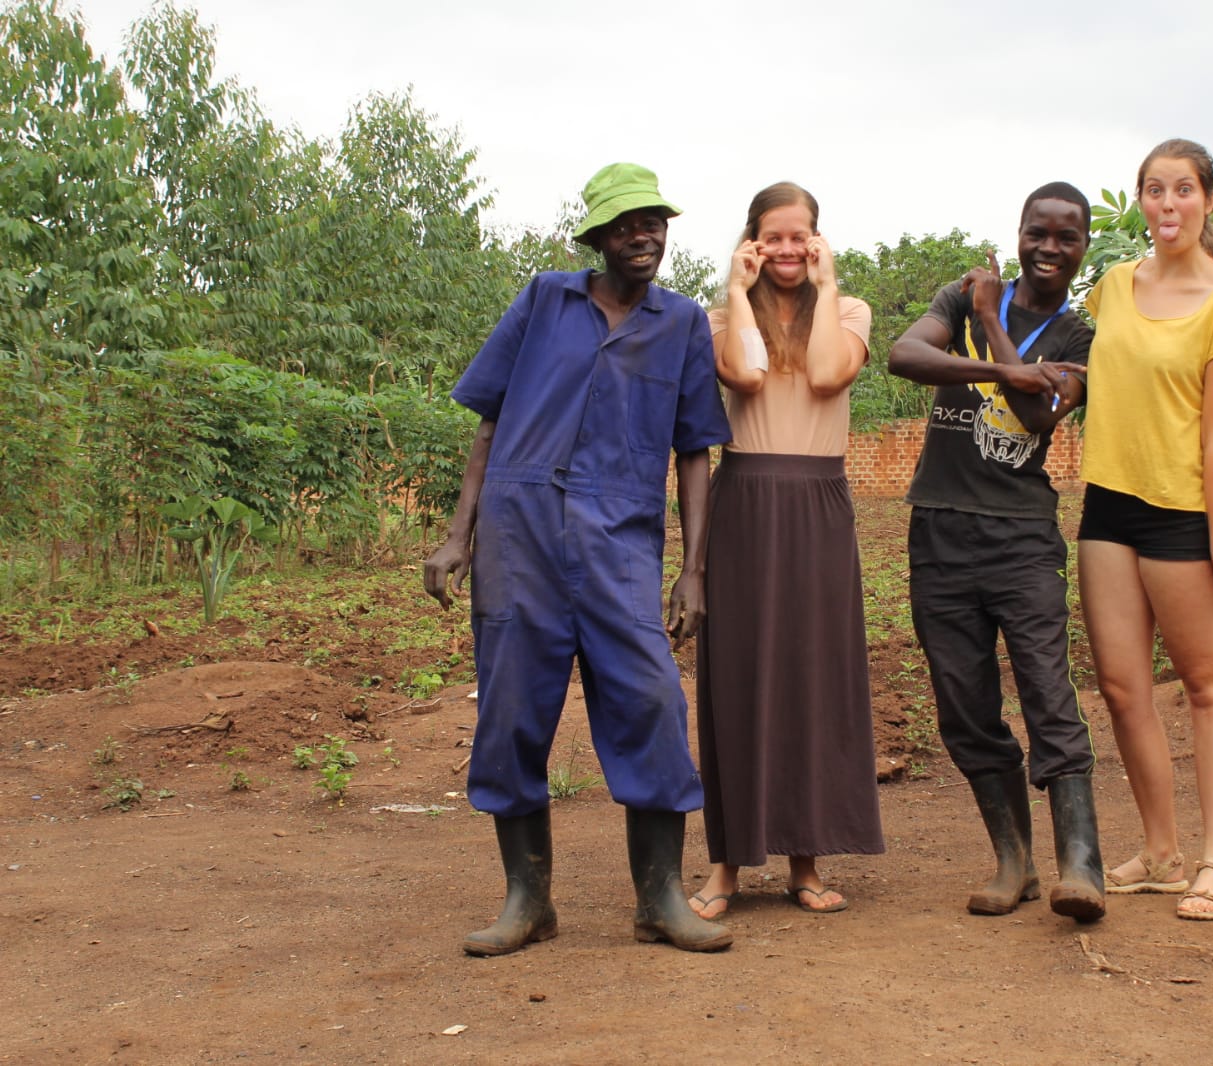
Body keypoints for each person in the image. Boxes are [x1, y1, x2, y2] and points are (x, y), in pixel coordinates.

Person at [423, 162, 735, 954]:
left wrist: (693, 568)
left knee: (651, 704)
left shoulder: (681, 323)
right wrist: (458, 533)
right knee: (512, 715)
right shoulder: (544, 300)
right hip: (517, 532)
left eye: (654, 222)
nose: (644, 236)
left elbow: (696, 450)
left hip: (618, 537)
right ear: (597, 237)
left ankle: (658, 898)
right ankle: (527, 903)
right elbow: (489, 422)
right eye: (626, 225)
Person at [887, 182, 1104, 923]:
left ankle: (1080, 864)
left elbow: (1037, 416)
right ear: (1018, 234)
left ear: (1082, 248)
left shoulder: (1078, 337)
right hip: (938, 531)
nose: (1048, 248)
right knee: (964, 708)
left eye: (1065, 237)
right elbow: (903, 355)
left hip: (1019, 538)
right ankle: (1014, 862)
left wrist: (990, 328)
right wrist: (995, 356)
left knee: (1048, 694)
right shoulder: (964, 294)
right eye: (1036, 233)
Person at [1076, 139, 1213, 921]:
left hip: (1182, 514)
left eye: (1181, 190)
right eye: (1152, 190)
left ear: (1207, 201)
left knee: (1205, 685)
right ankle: (1159, 851)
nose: (1165, 205)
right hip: (1105, 507)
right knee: (1123, 690)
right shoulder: (1113, 287)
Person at [688, 182, 884, 919]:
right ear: (751, 243)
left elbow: (831, 375)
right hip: (744, 501)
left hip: (819, 504)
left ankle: (806, 864)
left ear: (819, 240)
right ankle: (725, 871)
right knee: (736, 681)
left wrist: (829, 286)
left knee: (813, 676)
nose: (788, 249)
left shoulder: (849, 313)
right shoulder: (716, 318)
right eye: (773, 237)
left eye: (800, 236)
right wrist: (735, 292)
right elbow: (743, 375)